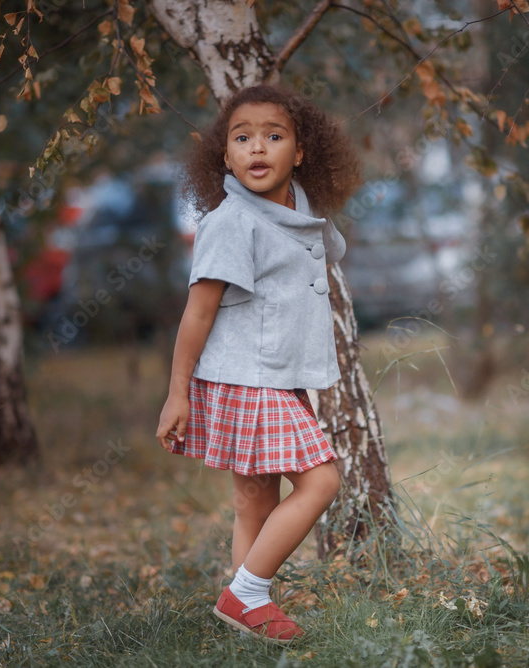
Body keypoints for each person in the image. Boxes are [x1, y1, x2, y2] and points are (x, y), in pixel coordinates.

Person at [155, 84, 362, 644]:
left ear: (300, 151)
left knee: (255, 503)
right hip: (247, 377)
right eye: (242, 138)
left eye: (274, 136)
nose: (257, 149)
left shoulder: (299, 207)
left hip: (274, 376)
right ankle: (244, 594)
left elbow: (323, 253)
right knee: (322, 480)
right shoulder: (230, 223)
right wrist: (178, 394)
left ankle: (242, 619)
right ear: (224, 155)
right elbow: (196, 316)